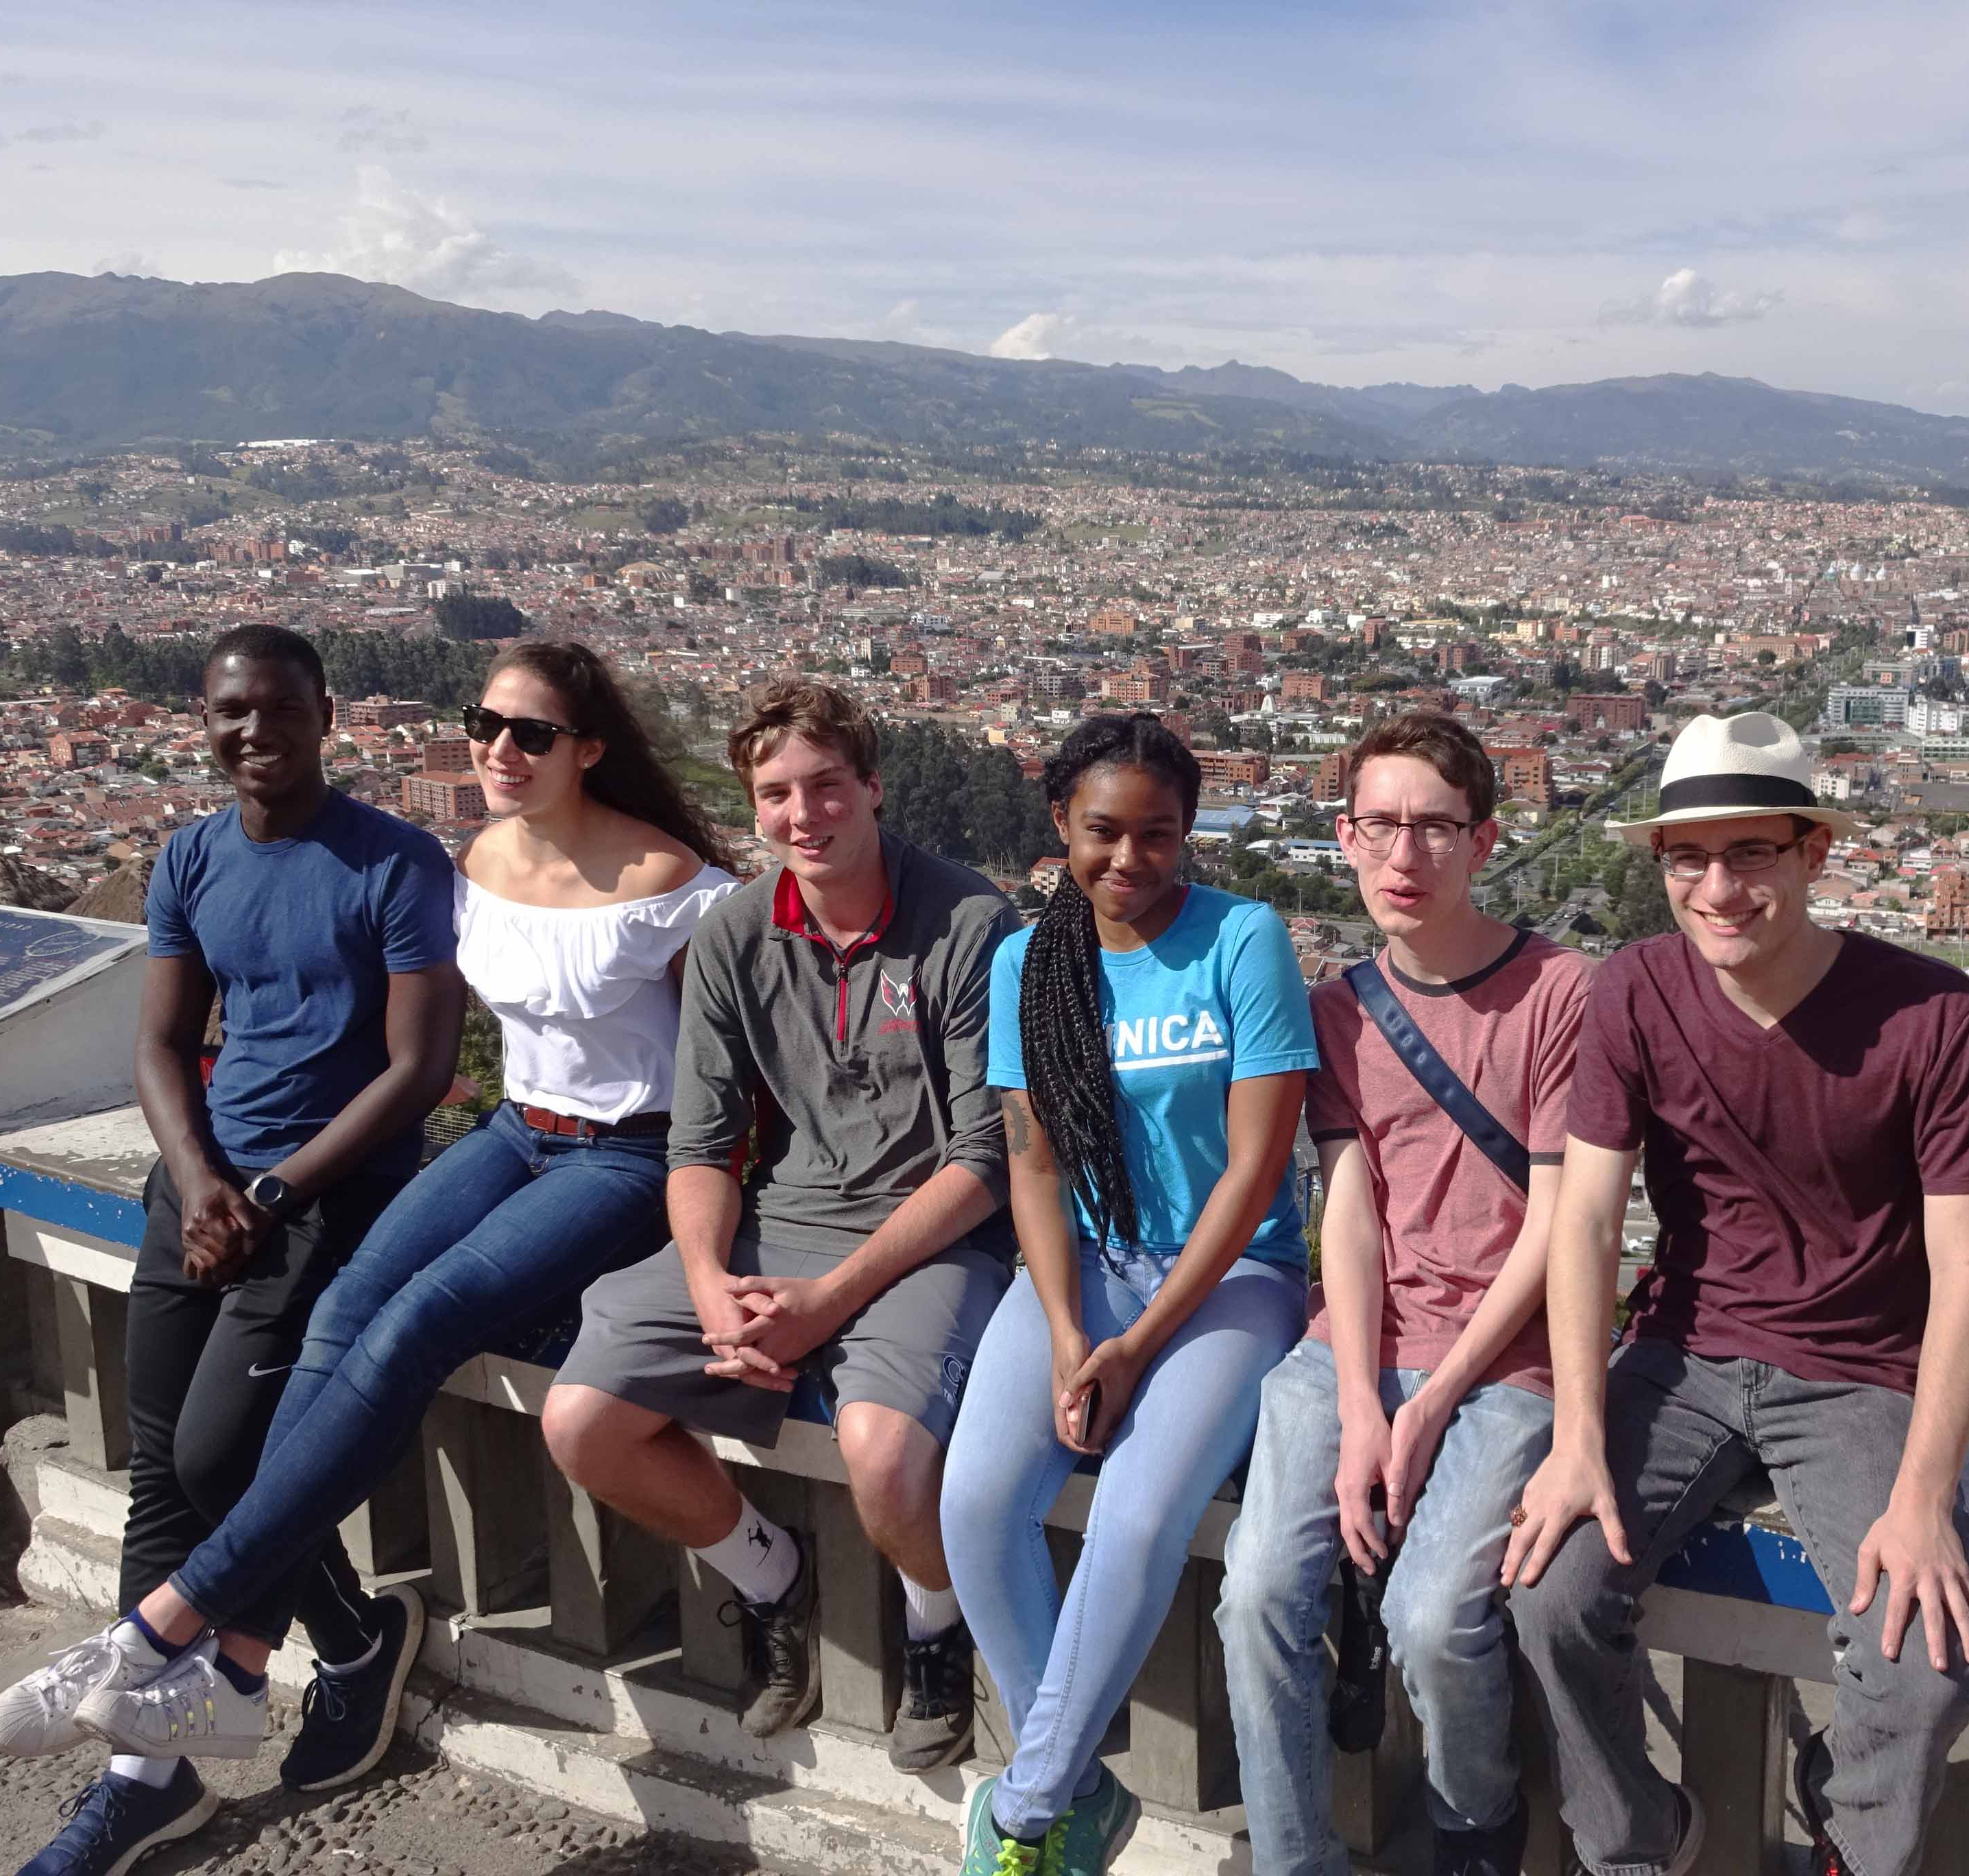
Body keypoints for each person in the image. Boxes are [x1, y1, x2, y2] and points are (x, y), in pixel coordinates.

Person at [0, 642, 738, 1806]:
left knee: (406, 1322)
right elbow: (176, 1040)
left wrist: (712, 1226)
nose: (498, 747)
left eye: (531, 732)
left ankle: (167, 1631)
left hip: (624, 1155)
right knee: (316, 1341)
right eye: (486, 721)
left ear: (589, 748)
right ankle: (219, 1691)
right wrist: (200, 1183)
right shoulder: (470, 862)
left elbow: (702, 1083)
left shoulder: (664, 883)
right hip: (508, 1131)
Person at [0, 623, 466, 1876]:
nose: (253, 734)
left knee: (211, 1460)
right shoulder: (190, 856)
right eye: (229, 713)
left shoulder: (394, 863)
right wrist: (199, 1183)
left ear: (325, 714)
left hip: (327, 1197)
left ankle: (313, 1658)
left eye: (277, 709)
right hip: (196, 1190)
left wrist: (266, 1190)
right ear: (203, 722)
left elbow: (420, 1072)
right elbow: (160, 1046)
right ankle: (154, 1774)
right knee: (161, 1468)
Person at [1501, 711, 1969, 1876]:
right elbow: (1583, 1219)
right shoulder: (1635, 990)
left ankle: (1844, 1824)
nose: (1718, 888)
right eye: (1689, 857)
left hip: (1856, 1373)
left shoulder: (1932, 1018)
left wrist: (1927, 1492)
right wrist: (1577, 1437)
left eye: (1753, 855)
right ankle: (1637, 1841)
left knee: (1928, 1661)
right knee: (1548, 1596)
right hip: (1683, 1352)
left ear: (1813, 855)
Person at [541, 677, 1020, 1773]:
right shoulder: (737, 933)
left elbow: (986, 1163)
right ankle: (769, 1575)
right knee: (580, 1423)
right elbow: (701, 1145)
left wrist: (827, 1306)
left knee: (885, 1456)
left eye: (825, 787)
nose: (804, 815)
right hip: (780, 1222)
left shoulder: (969, 924)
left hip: (928, 1235)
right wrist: (711, 1282)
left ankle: (937, 1629)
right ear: (753, 807)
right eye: (775, 795)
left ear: (872, 789)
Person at [941, 713, 1319, 1876]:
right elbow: (1034, 1163)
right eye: (1103, 833)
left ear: (1188, 833)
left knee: (1139, 1519)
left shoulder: (1242, 940)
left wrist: (1141, 1345)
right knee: (975, 1504)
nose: (1129, 861)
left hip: (1234, 1274)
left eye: (1159, 836)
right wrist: (1065, 1331)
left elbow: (1256, 1169)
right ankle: (1078, 1786)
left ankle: (1026, 1810)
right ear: (1059, 824)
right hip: (1085, 1268)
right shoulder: (1027, 963)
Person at [1218, 712, 1589, 1876]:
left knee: (1435, 1618)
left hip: (1509, 1352)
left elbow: (1557, 1224)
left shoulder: (1559, 994)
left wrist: (1428, 1405)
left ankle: (1476, 1826)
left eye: (1433, 828)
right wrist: (1371, 1401)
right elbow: (1352, 1204)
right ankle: (1293, 1857)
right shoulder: (1338, 1008)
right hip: (1355, 1342)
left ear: (1483, 841)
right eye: (1378, 826)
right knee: (1260, 1592)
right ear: (1343, 835)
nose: (1403, 856)